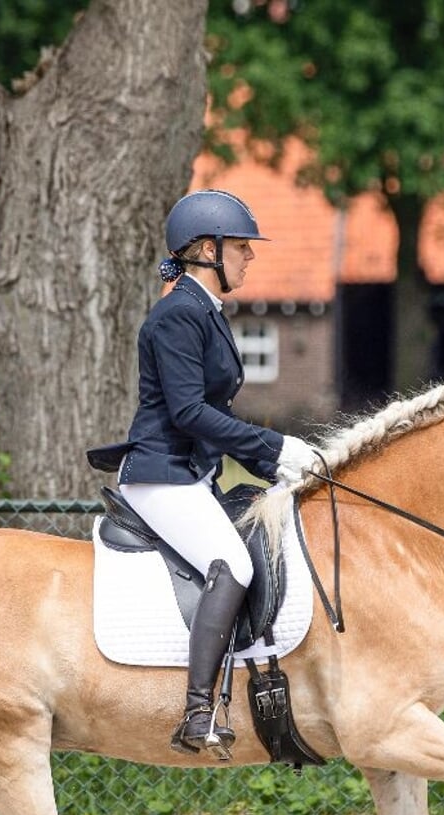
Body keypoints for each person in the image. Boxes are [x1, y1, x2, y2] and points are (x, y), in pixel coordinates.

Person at [86, 189, 321, 755]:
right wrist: (274, 442)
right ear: (207, 250)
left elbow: (214, 417)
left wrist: (278, 462)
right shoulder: (176, 316)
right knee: (233, 563)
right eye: (241, 247)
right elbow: (191, 412)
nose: (250, 257)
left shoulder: (206, 314)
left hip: (190, 473)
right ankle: (197, 711)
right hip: (160, 476)